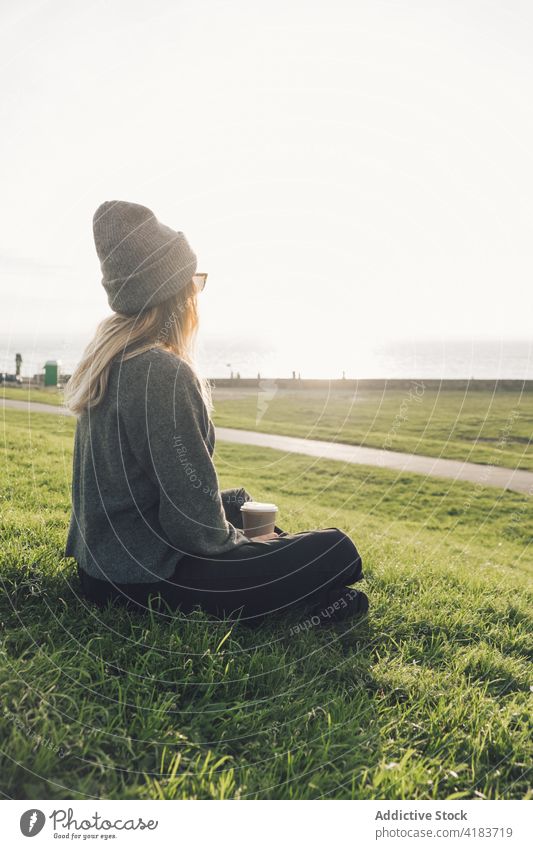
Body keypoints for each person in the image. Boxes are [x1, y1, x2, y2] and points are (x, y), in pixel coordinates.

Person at [64, 201, 368, 625]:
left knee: (240, 502)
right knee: (335, 549)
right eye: (194, 282)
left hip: (102, 568)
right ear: (174, 292)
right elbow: (196, 529)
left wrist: (243, 528)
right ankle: (306, 601)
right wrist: (247, 543)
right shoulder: (161, 373)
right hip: (145, 578)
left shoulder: (108, 357)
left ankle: (311, 601)